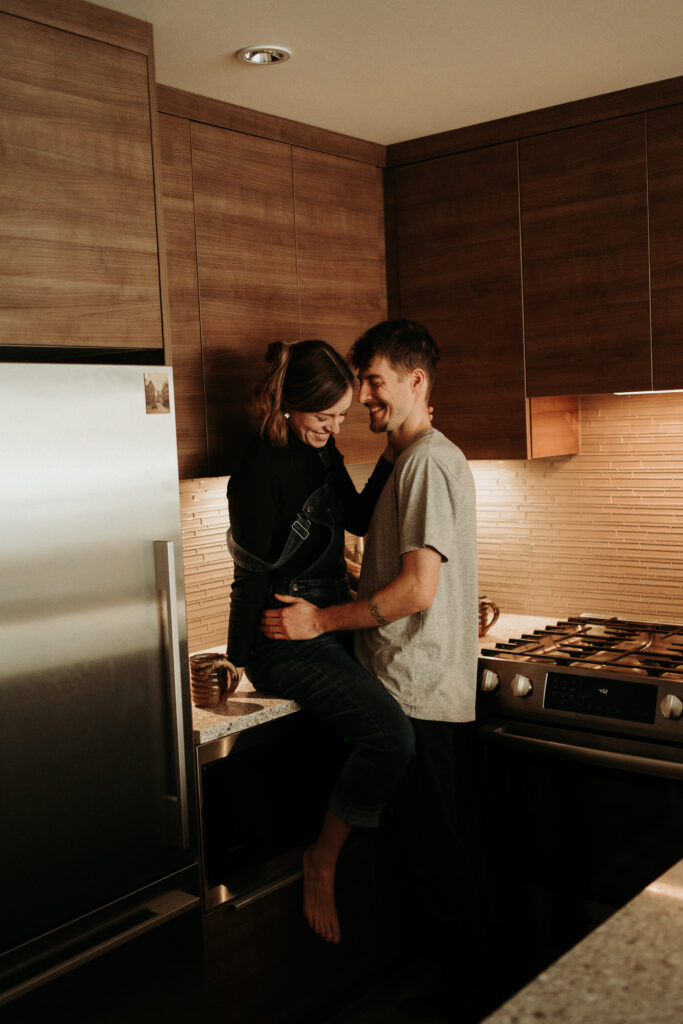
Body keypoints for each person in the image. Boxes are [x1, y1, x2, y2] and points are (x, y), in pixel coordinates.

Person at [261, 320, 487, 1020]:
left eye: (374, 382)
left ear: (416, 381)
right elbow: (397, 559)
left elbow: (415, 591)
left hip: (414, 696)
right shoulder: (413, 457)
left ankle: (468, 1003)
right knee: (426, 866)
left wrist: (319, 620)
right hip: (415, 684)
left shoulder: (425, 463)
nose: (364, 397)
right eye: (358, 384)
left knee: (437, 870)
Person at [226, 338, 415, 946]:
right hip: (284, 632)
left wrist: (393, 449)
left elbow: (356, 518)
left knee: (389, 733)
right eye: (322, 417)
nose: (332, 429)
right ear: (287, 405)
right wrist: (241, 656)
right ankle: (322, 860)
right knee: (391, 736)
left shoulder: (324, 451)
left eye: (340, 418)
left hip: (326, 616)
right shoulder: (255, 472)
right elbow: (253, 573)